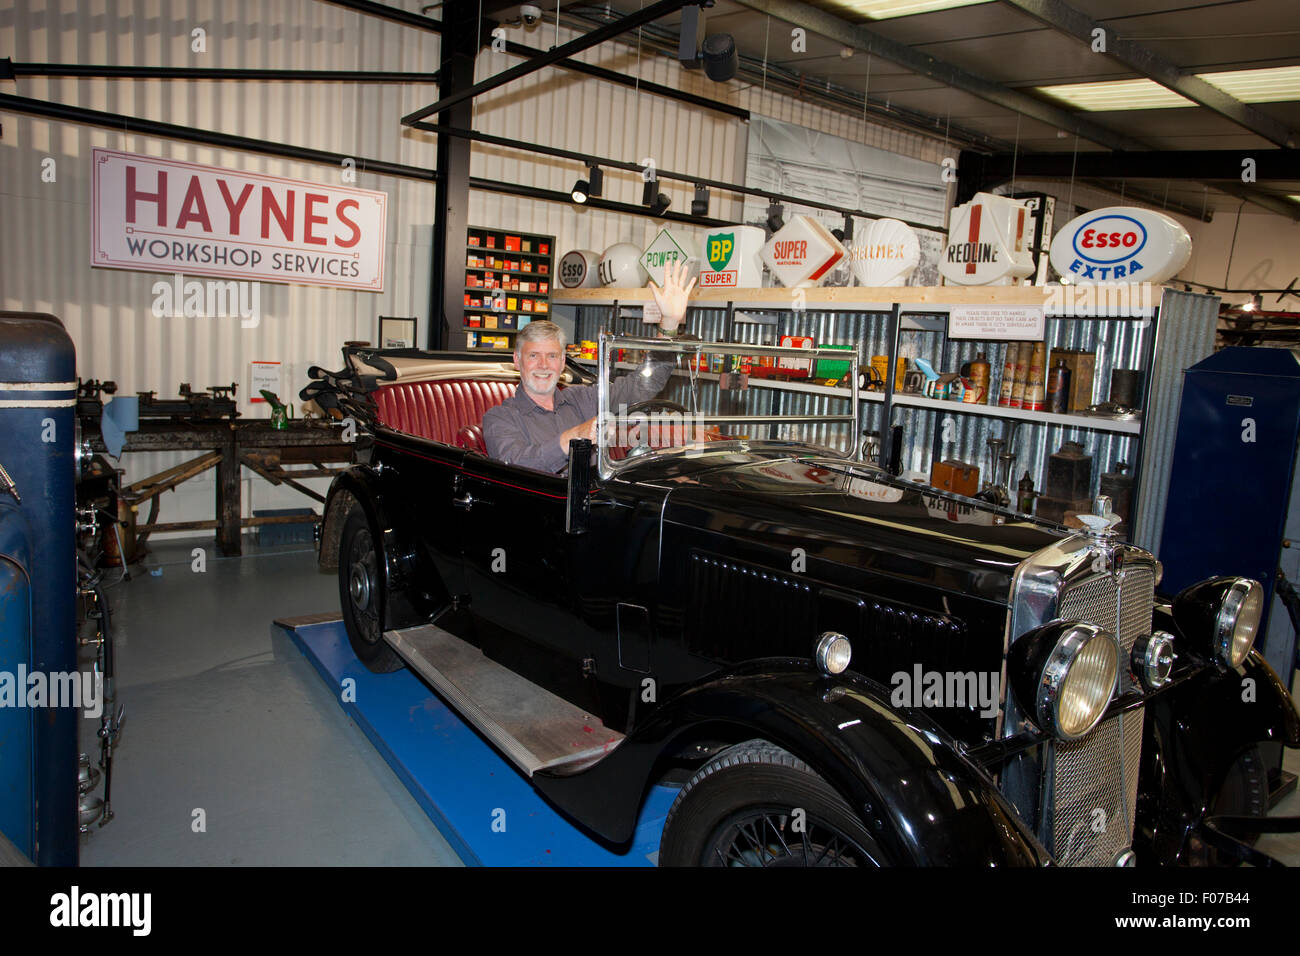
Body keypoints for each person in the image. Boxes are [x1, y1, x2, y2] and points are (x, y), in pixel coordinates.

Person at [483, 258, 697, 472]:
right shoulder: (500, 418)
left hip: (595, 500)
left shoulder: (582, 399)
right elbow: (516, 465)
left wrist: (669, 324)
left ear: (563, 362)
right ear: (517, 360)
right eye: (533, 356)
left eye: (552, 356)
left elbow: (639, 387)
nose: (543, 365)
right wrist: (577, 436)